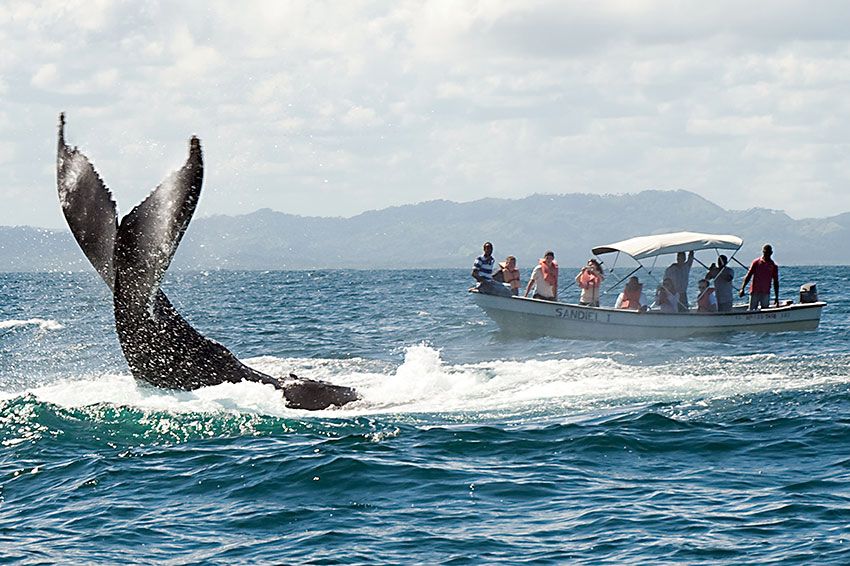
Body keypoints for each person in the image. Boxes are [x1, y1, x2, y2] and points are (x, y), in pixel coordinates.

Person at [739, 243, 780, 310]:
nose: (767, 255)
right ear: (763, 252)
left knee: (765, 309)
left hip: (766, 292)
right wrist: (742, 288)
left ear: (771, 253)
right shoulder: (756, 262)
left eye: (768, 253)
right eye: (765, 253)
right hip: (755, 291)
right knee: (751, 309)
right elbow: (748, 276)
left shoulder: (773, 266)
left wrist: (776, 297)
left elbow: (775, 282)